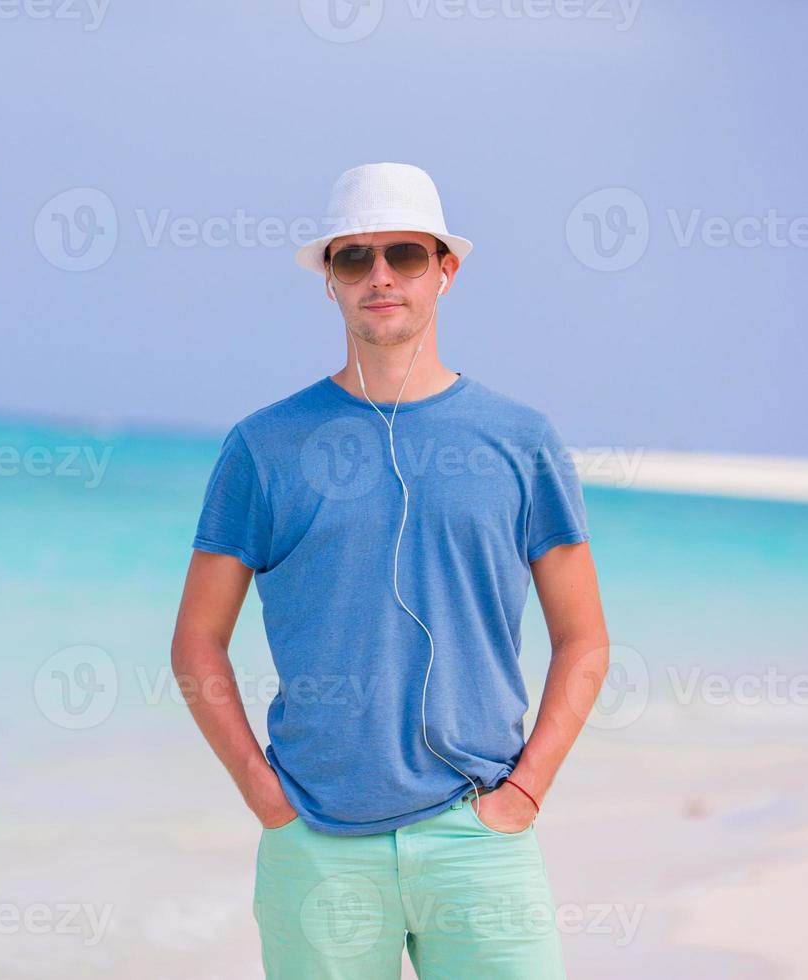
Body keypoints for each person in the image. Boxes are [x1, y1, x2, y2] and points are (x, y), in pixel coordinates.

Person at [170, 163, 610, 978]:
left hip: (479, 840)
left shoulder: (522, 441)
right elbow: (198, 642)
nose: (380, 276)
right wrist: (265, 799)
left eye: (405, 254)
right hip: (318, 846)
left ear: (446, 270)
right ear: (328, 281)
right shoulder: (264, 448)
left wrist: (525, 794)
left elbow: (583, 640)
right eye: (353, 257)